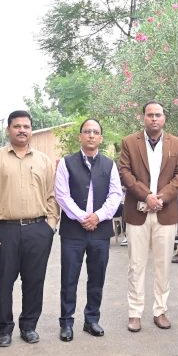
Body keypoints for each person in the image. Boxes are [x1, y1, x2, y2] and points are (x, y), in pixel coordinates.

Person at [0, 111, 60, 347]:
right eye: (17, 126)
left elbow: (52, 196)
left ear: (31, 129)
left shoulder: (44, 161)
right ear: (8, 130)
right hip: (4, 230)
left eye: (26, 126)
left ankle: (29, 326)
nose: (22, 130)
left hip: (38, 229)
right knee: (3, 281)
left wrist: (50, 227)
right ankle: (4, 329)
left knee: (34, 280)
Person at [117, 101, 178, 332]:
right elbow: (124, 172)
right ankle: (135, 313)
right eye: (150, 115)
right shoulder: (129, 142)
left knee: (163, 266)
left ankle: (160, 311)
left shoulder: (176, 143)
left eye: (158, 115)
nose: (154, 118)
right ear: (143, 117)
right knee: (136, 265)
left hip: (165, 213)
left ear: (164, 118)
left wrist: (161, 198)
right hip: (137, 211)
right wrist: (147, 196)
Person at [54, 119, 123, 341]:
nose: (91, 135)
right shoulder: (66, 163)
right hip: (73, 231)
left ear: (101, 138)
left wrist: (98, 217)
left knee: (97, 278)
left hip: (100, 231)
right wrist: (84, 217)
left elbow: (115, 194)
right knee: (69, 278)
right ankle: (66, 322)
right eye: (87, 131)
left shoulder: (110, 164)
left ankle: (91, 319)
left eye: (95, 132)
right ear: (80, 136)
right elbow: (62, 195)